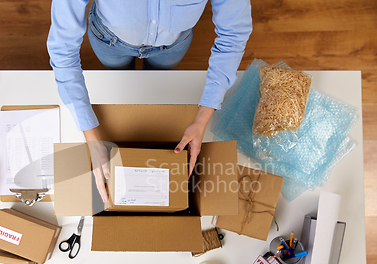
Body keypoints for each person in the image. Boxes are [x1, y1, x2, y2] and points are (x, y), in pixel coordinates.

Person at [47, 0, 252, 203]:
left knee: (158, 78)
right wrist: (91, 138)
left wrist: (202, 119)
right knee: (119, 76)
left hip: (172, 45)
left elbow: (233, 35)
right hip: (110, 40)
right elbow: (62, 48)